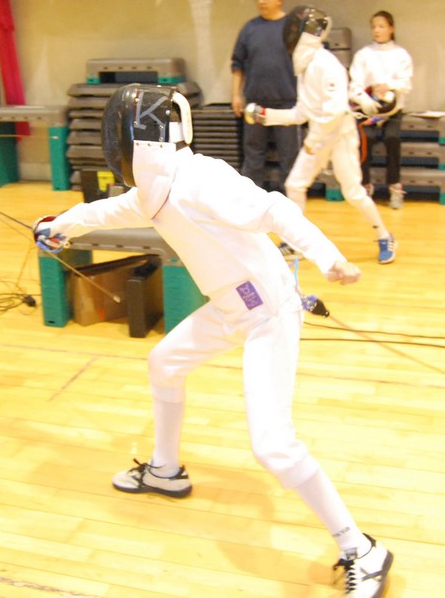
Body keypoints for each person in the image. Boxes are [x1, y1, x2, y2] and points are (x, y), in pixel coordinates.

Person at [34, 83, 392, 598]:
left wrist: (328, 257)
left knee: (273, 446)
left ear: (140, 140)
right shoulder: (153, 191)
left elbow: (275, 210)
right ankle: (165, 470)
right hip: (231, 307)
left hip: (268, 312)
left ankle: (360, 547)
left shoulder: (200, 179)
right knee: (164, 364)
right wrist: (58, 227)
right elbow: (104, 213)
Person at [245, 5, 396, 265]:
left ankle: (385, 236)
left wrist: (313, 143)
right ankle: (295, 244)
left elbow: (335, 112)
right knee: (294, 186)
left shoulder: (326, 64)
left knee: (353, 192)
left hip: (340, 135)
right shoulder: (306, 66)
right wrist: (265, 116)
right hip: (320, 135)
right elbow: (302, 113)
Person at [231, 0, 301, 196]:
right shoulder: (250, 28)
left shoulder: (293, 27)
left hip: (287, 104)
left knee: (289, 155)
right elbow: (237, 64)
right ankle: (251, 199)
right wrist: (236, 95)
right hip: (254, 103)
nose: (261, 1)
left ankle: (290, 202)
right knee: (253, 154)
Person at [348, 11, 413, 209]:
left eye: (382, 26)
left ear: (391, 29)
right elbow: (354, 86)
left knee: (392, 139)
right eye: (374, 26)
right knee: (363, 139)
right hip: (368, 111)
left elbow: (405, 83)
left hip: (392, 112)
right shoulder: (363, 55)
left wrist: (388, 86)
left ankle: (394, 187)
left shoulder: (401, 55)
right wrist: (367, 97)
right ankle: (365, 186)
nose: (377, 30)